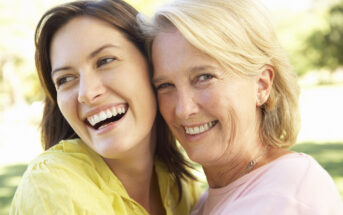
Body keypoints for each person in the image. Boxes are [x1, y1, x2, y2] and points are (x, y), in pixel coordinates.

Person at [139, 0, 343, 214]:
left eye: (204, 77)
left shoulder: (284, 194)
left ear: (262, 85)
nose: (183, 109)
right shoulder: (211, 198)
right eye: (165, 85)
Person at [10, 0, 201, 214]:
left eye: (105, 60)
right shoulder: (52, 186)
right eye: (65, 79)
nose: (86, 94)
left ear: (153, 65)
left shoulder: (183, 187)